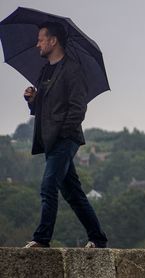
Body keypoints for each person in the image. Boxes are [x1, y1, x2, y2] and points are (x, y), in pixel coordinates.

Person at [22, 21, 107, 248]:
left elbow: (78, 107)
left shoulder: (72, 69)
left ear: (53, 40)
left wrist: (65, 134)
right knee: (73, 193)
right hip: (49, 140)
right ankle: (98, 239)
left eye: (41, 39)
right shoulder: (44, 70)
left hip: (65, 138)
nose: (37, 43)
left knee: (48, 186)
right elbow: (44, 106)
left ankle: (42, 239)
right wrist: (32, 99)